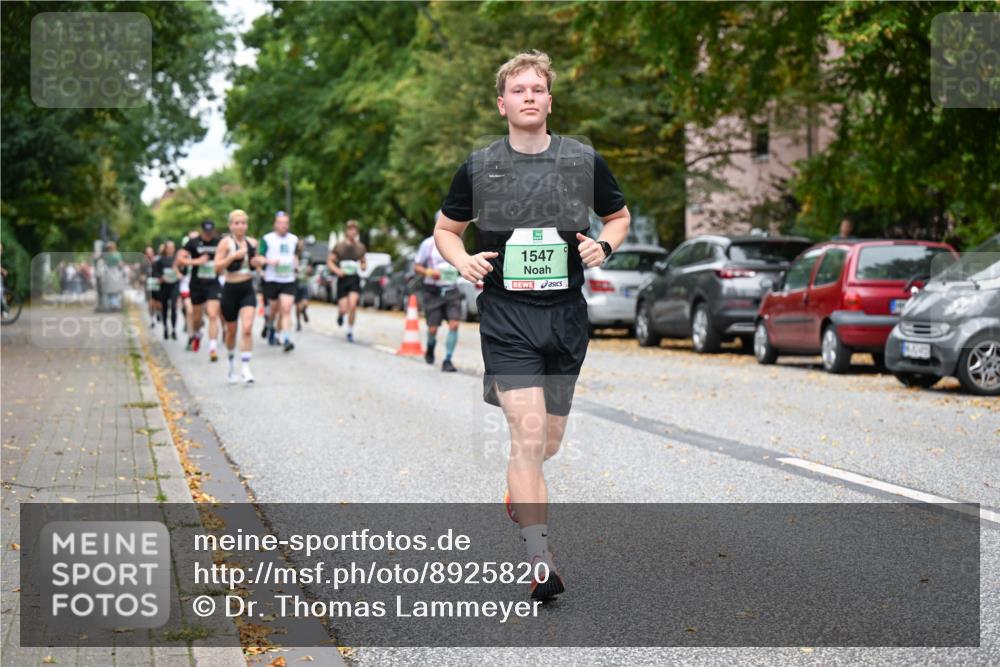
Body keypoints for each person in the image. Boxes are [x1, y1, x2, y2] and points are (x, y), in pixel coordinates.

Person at [434, 50, 630, 600]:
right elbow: (446, 230)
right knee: (526, 434)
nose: (528, 97)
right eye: (517, 90)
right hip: (507, 316)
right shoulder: (480, 166)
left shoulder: (582, 161)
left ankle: (519, 489)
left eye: (536, 89)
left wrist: (604, 245)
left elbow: (618, 217)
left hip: (565, 316)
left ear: (549, 101)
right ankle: (539, 559)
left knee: (549, 441)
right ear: (502, 104)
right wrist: (461, 259)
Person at [214, 209, 261, 385]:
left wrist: (258, 263)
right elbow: (217, 267)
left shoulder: (252, 243)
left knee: (247, 328)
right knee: (231, 331)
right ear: (230, 226)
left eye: (243, 223)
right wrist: (233, 256)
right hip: (230, 290)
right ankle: (231, 363)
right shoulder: (225, 243)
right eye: (237, 223)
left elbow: (257, 265)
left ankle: (246, 368)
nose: (240, 226)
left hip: (247, 288)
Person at [414, 227, 462, 372]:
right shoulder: (428, 243)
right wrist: (429, 272)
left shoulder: (457, 241)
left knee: (454, 324)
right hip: (433, 291)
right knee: (433, 328)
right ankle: (430, 346)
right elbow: (417, 267)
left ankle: (448, 359)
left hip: (451, 290)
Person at [178, 221, 223, 360]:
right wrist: (197, 261)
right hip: (197, 284)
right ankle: (197, 333)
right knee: (197, 317)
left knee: (213, 315)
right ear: (202, 230)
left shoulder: (219, 242)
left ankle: (212, 349)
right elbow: (180, 260)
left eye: (210, 231)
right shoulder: (193, 243)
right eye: (206, 231)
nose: (208, 234)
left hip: (213, 283)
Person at [259, 211, 299, 352]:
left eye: (286, 223)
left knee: (286, 309)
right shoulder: (267, 239)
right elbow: (258, 258)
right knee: (274, 310)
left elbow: (295, 255)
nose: (284, 226)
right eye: (281, 223)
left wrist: (296, 263)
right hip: (272, 279)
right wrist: (269, 261)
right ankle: (269, 325)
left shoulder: (294, 239)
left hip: (288, 279)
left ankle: (286, 338)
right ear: (275, 224)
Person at [327, 220, 367, 343]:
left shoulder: (360, 247)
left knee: (353, 305)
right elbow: (330, 261)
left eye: (355, 230)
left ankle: (350, 331)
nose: (353, 232)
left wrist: (363, 266)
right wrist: (337, 270)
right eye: (351, 230)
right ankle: (341, 314)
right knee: (344, 309)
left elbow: (363, 261)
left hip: (354, 279)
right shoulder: (339, 246)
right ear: (347, 231)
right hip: (342, 279)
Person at [152, 241, 180, 340]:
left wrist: (179, 274)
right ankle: (165, 327)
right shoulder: (160, 260)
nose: (171, 249)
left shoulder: (177, 259)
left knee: (173, 306)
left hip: (174, 285)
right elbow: (154, 271)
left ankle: (174, 329)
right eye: (169, 247)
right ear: (165, 249)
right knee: (164, 307)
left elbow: (183, 271)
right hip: (164, 286)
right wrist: (160, 277)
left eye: (172, 247)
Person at [295, 240, 312, 332]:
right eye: (299, 245)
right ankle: (298, 322)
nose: (301, 247)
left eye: (302, 245)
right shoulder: (292, 255)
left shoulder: (307, 256)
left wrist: (309, 270)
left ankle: (304, 310)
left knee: (305, 302)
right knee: (297, 305)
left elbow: (311, 267)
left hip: (304, 282)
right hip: (295, 282)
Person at [142, 246, 160, 327]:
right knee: (150, 303)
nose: (149, 255)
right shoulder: (144, 264)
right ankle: (152, 319)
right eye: (147, 253)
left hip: (158, 284)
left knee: (158, 304)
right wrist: (142, 278)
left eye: (150, 253)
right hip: (148, 285)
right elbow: (141, 274)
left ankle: (158, 313)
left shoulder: (158, 262)